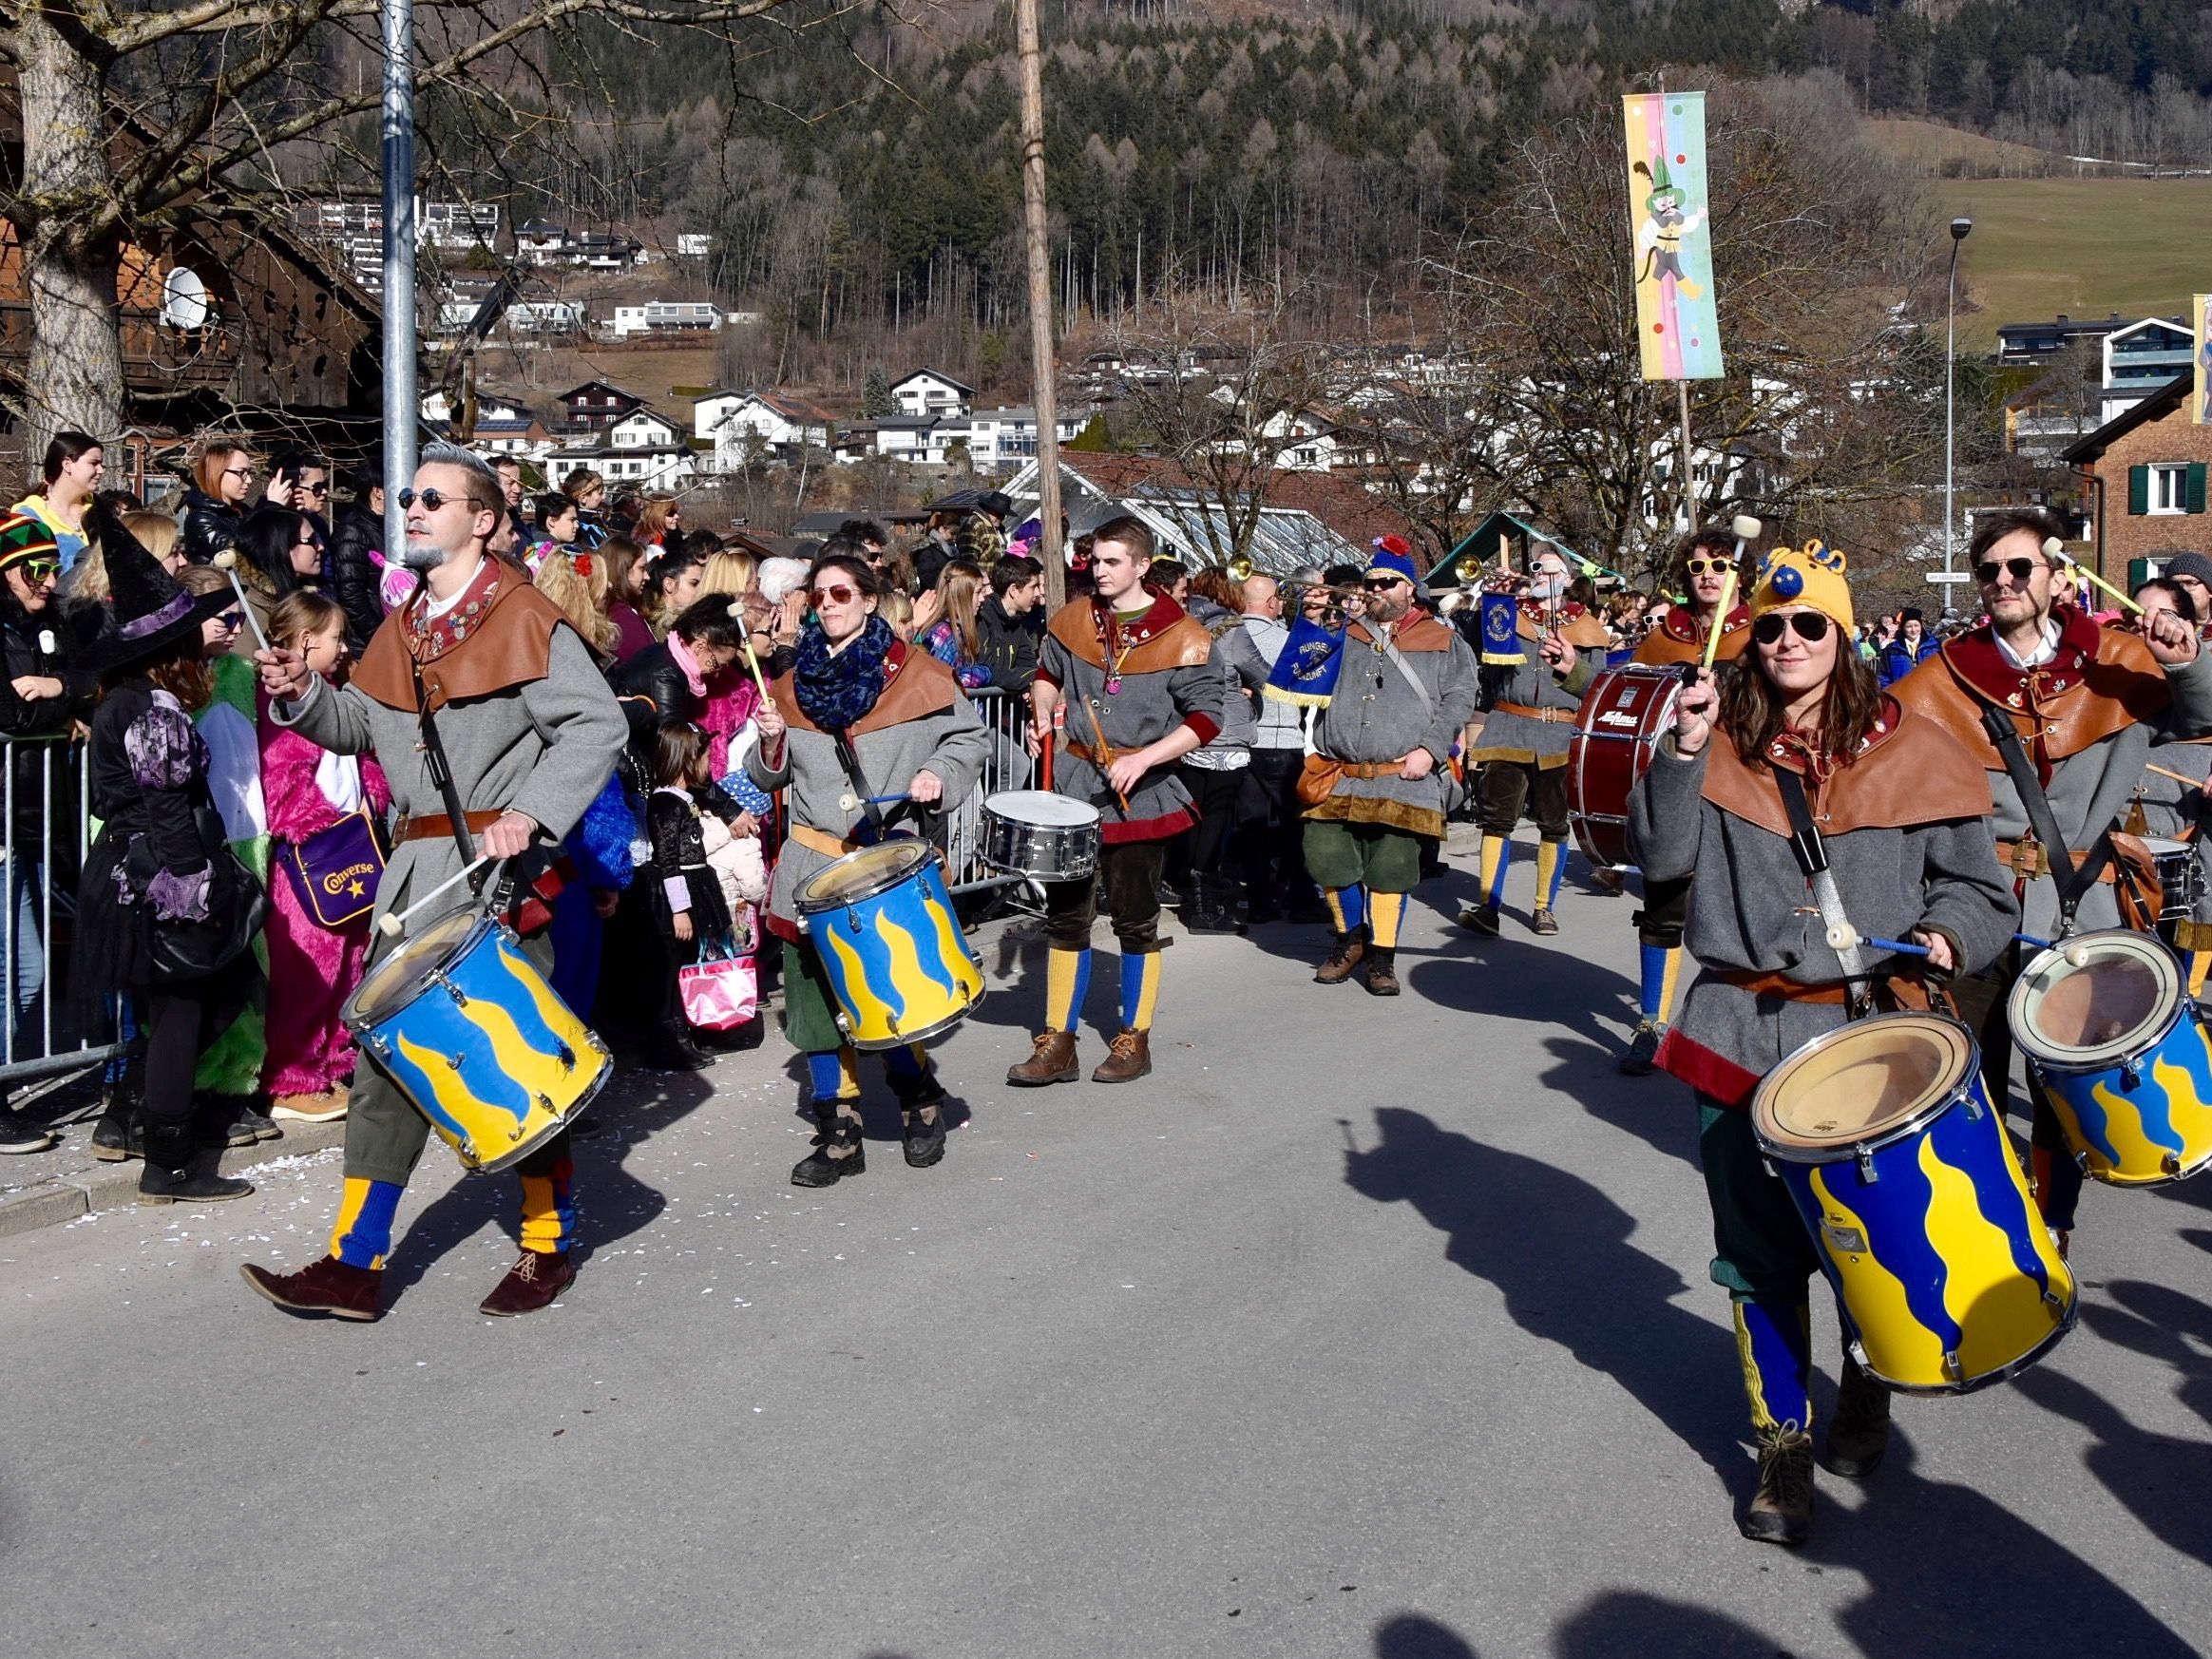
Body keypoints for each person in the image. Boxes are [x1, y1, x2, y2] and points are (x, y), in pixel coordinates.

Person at [1629, 540, 2014, 1548]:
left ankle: (1868, 1389)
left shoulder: (1921, 751)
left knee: (1866, 1246)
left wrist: (1947, 937)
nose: (1789, 640)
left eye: (1811, 625)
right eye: (1771, 625)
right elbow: (1660, 864)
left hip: (1868, 1038)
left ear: (1842, 638)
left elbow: (1983, 894)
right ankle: (1780, 1446)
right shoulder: (1713, 743)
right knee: (1756, 1259)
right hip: (1737, 1036)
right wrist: (1678, 750)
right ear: (1748, 638)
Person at [238, 442, 627, 1322]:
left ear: (482, 519)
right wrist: (301, 691)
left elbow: (596, 728)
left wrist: (530, 812)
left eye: (433, 499)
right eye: (407, 497)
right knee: (388, 1067)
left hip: (493, 874)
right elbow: (360, 728)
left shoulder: (524, 615)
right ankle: (354, 1261)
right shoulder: (406, 622)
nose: (410, 508)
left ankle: (547, 1244)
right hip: (409, 875)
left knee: (504, 1065)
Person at [1890, 505, 2212, 1257]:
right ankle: (1993, 1224)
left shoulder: (2120, 660)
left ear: (2055, 577)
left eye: (2019, 567)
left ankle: (2054, 1224)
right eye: (1989, 571)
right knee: (1970, 1077)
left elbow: (2202, 714)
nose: (2002, 581)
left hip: (2085, 901)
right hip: (1975, 902)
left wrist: (2187, 653)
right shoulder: (1942, 679)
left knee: (2062, 1084)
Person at [747, 552, 989, 1183]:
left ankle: (917, 1099)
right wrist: (770, 740)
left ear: (871, 600)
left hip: (881, 864)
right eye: (819, 595)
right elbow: (767, 776)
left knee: (886, 994)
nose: (828, 605)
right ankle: (839, 1131)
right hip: (807, 866)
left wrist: (940, 773)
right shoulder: (790, 683)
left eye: (841, 594)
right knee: (816, 1009)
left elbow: (970, 740)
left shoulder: (917, 674)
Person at [68, 521, 263, 1201]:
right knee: (185, 1010)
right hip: (160, 878)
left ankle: (141, 1121)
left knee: (211, 997)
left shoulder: (128, 702)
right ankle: (168, 1160)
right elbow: (168, 808)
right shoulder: (153, 710)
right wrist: (195, 886)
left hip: (137, 873)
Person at [1011, 516, 1224, 1086]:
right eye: (1095, 561)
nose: (1098, 572)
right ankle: (1058, 1040)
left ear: (1140, 566)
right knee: (1067, 918)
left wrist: (1147, 756)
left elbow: (1206, 719)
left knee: (1135, 920)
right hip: (1075, 787)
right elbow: (1045, 674)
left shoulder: (1185, 633)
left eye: (1110, 562)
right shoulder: (1074, 619)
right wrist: (1043, 714)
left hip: (1142, 794)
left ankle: (1135, 1037)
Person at [1301, 540, 1480, 995]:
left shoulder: (1442, 639)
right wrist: (1315, 618)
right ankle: (1349, 941)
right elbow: (1299, 675)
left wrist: (1431, 750)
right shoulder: (1344, 632)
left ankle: (1382, 958)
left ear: (1409, 588)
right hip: (1339, 771)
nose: (1377, 589)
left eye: (1387, 582)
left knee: (1391, 867)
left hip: (1404, 773)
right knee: (1326, 858)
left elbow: (1460, 698)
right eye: (1371, 582)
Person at [1617, 526, 1755, 1074]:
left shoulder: (1763, 632)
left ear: (1740, 575)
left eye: (1721, 566)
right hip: (1679, 783)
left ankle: (1744, 1029)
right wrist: (1575, 673)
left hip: (1744, 788)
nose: (1709, 577)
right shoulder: (1663, 637)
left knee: (1747, 907)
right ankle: (1652, 1022)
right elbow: (1623, 697)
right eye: (1698, 568)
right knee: (1663, 904)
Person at [257, 590, 391, 1122]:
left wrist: (371, 793)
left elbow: (363, 756)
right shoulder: (280, 702)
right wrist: (322, 824)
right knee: (308, 963)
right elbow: (282, 780)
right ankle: (292, 1073)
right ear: (307, 640)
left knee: (348, 957)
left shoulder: (334, 693)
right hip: (308, 854)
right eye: (336, 638)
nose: (343, 648)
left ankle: (335, 1058)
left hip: (347, 844)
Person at [0, 513, 97, 1152]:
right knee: (21, 970)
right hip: (5, 814)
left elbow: (91, 684)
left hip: (36, 815)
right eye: (32, 569)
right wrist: (61, 708)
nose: (45, 580)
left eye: (49, 567)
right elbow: (11, 710)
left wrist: (59, 689)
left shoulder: (46, 622)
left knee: (23, 969)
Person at [1460, 544, 1610, 938]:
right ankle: (1488, 906)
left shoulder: (1590, 627)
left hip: (1561, 733)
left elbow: (1599, 688)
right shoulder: (1511, 614)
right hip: (1510, 724)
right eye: (1536, 569)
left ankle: (1544, 907)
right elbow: (1474, 644)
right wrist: (1493, 597)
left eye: (1549, 570)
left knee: (1554, 824)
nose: (1541, 575)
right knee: (1497, 820)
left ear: (1566, 578)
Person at [640, 720, 765, 1066]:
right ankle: (668, 1040)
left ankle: (691, 1031)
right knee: (670, 968)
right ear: (686, 760)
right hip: (676, 895)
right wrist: (680, 909)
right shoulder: (665, 804)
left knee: (687, 962)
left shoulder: (684, 799)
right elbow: (668, 861)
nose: (710, 766)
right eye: (706, 757)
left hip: (696, 886)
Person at [1220, 571, 1322, 925]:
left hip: (1246, 740)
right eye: (1277, 598)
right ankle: (1302, 898)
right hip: (1283, 739)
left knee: (1253, 826)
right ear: (1270, 603)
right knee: (1296, 826)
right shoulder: (1286, 639)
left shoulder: (1228, 636)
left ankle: (1261, 900)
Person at [1175, 564, 1254, 934]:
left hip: (1188, 728)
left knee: (1194, 813)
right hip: (1224, 729)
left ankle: (1191, 893)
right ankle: (1203, 904)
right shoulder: (1233, 631)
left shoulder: (1181, 623)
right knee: (1217, 816)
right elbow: (1263, 672)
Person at [226, 504, 323, 650]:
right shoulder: (245, 611)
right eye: (312, 540)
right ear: (281, 547)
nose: (320, 547)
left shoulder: (300, 596)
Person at [13, 430, 105, 572]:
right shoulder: (30, 516)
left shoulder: (102, 509)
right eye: (94, 463)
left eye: (101, 464)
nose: (101, 470)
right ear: (67, 465)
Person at [326, 462, 388, 654]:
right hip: (366, 644)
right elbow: (351, 593)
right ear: (379, 492)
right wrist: (379, 638)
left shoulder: (386, 526)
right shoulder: (353, 531)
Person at [915, 559, 993, 690]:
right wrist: (984, 673)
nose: (982, 599)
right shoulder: (942, 633)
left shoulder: (959, 629)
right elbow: (941, 680)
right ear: (962, 594)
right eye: (978, 592)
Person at [976, 553, 1046, 691]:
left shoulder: (1017, 623)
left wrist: (1032, 686)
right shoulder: (983, 618)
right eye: (1033, 587)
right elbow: (988, 672)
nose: (1038, 593)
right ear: (1014, 590)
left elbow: (1028, 664)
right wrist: (1033, 680)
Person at [180, 439, 255, 564]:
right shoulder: (201, 519)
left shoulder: (244, 512)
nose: (249, 480)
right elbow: (242, 559)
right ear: (217, 473)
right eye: (241, 472)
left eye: (249, 473)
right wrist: (274, 504)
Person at [599, 536, 658, 662]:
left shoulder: (617, 611)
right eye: (642, 568)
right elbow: (648, 667)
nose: (647, 576)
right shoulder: (625, 621)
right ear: (622, 570)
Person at [644, 543, 705, 638]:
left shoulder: (693, 623)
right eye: (694, 583)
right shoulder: (652, 631)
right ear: (669, 585)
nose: (701, 589)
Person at [1877, 607, 1937, 686]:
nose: (1913, 630)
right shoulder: (1891, 649)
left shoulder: (1934, 647)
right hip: (1900, 694)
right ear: (1902, 628)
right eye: (1909, 626)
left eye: (1916, 625)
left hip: (1928, 693)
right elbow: (1883, 677)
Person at [523, 492, 580, 575]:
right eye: (572, 519)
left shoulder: (532, 548)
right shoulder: (554, 555)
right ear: (552, 521)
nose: (577, 525)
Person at [563, 467, 609, 548]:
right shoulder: (579, 530)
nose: (604, 497)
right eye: (600, 493)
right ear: (583, 498)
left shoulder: (594, 521)